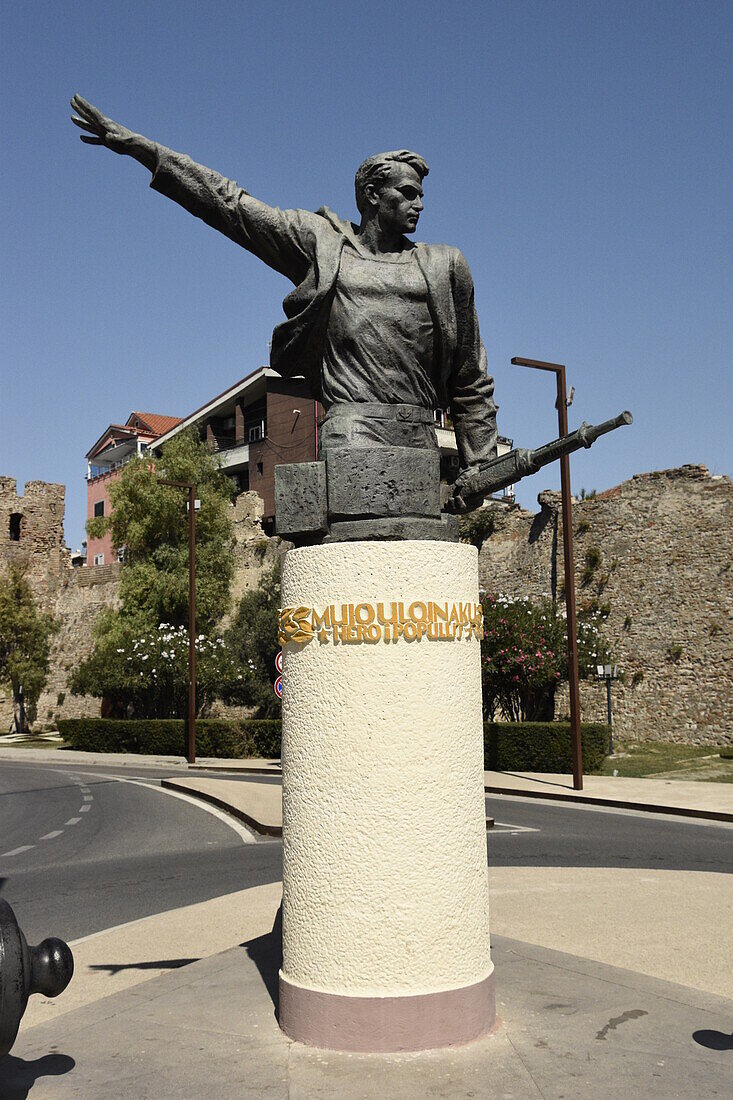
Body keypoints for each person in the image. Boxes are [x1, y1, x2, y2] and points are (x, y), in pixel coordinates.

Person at [70, 95, 498, 477]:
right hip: (350, 432)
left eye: (421, 195)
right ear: (371, 194)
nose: (419, 204)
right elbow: (231, 205)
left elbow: (470, 376)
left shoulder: (443, 266)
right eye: (407, 193)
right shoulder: (322, 244)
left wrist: (479, 463)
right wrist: (148, 153)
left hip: (419, 435)